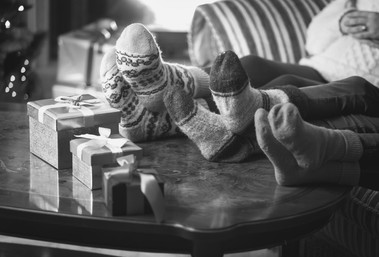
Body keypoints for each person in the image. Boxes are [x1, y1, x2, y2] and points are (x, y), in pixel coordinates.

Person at [100, 23, 379, 165]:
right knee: (251, 65)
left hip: (367, 77)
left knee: (289, 84)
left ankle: (164, 104)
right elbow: (316, 35)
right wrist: (344, 21)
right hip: (321, 64)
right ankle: (163, 101)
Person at [238, 0, 379, 89]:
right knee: (250, 65)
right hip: (320, 68)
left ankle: (227, 128)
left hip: (365, 85)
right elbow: (313, 44)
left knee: (287, 84)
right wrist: (341, 23)